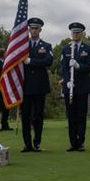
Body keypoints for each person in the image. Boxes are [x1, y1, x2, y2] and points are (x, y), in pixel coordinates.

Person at [20, 17, 53, 152]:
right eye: (32, 28)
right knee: (25, 116)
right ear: (28, 29)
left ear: (40, 30)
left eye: (36, 28)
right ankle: (27, 144)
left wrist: (31, 61)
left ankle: (37, 142)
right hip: (25, 85)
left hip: (39, 85)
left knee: (38, 116)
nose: (34, 31)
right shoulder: (22, 45)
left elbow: (48, 61)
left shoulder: (46, 46)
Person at [60, 22, 90, 152]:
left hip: (82, 87)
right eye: (74, 32)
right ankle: (72, 142)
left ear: (82, 34)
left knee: (81, 116)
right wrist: (67, 81)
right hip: (70, 87)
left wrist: (79, 66)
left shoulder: (88, 49)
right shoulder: (65, 49)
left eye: (78, 32)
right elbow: (63, 68)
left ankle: (80, 143)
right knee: (71, 116)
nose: (75, 34)